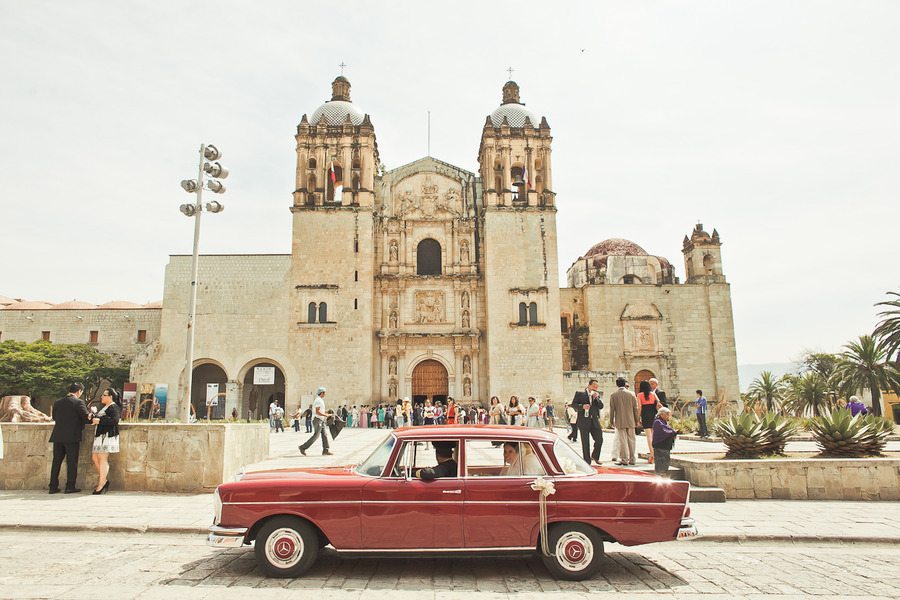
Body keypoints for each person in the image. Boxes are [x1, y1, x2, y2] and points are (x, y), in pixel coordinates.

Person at [48, 382, 93, 494]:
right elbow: (86, 418)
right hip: (72, 437)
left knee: (56, 462)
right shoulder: (78, 402)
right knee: (72, 462)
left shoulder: (58, 402)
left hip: (58, 436)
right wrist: (92, 414)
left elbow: (54, 416)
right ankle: (70, 486)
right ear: (79, 391)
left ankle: (53, 487)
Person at [90, 388, 121, 494]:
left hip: (107, 435)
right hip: (100, 435)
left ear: (110, 397)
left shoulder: (113, 407)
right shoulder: (105, 407)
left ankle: (101, 484)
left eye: (104, 395)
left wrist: (100, 421)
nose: (101, 397)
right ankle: (104, 480)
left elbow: (115, 420)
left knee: (102, 458)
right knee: (95, 457)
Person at [608, 378, 640, 465]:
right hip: (631, 420)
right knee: (632, 440)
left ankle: (624, 459)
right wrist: (637, 420)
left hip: (620, 420)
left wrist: (611, 421)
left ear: (616, 385)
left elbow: (612, 409)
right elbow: (635, 408)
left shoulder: (614, 395)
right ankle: (632, 459)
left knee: (622, 441)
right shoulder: (632, 394)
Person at [571, 379, 604, 465]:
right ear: (589, 385)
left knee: (599, 439)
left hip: (594, 421)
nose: (595, 389)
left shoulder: (596, 395)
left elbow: (601, 406)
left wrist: (597, 398)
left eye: (596, 387)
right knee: (585, 443)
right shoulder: (580, 393)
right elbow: (574, 404)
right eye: (594, 386)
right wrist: (582, 407)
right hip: (584, 421)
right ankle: (587, 461)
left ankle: (595, 456)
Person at [298, 388, 333, 456]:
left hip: (321, 420)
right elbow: (317, 412)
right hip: (317, 420)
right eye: (324, 393)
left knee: (324, 435)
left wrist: (327, 411)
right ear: (322, 393)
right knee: (316, 435)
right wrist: (326, 415)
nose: (325, 394)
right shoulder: (318, 400)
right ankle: (303, 447)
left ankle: (325, 450)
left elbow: (320, 411)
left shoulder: (320, 400)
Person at [637, 380, 661, 463]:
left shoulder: (639, 395)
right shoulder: (653, 394)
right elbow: (659, 403)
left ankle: (652, 456)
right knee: (654, 437)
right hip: (653, 416)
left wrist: (638, 419)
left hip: (645, 416)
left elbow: (639, 408)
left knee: (649, 437)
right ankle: (657, 455)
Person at [652, 407, 679, 477]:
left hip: (666, 447)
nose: (668, 417)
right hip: (660, 447)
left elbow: (669, 430)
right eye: (667, 415)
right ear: (661, 414)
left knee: (665, 463)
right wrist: (672, 432)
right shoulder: (657, 422)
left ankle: (663, 476)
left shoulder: (664, 422)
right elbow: (664, 432)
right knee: (661, 464)